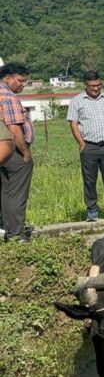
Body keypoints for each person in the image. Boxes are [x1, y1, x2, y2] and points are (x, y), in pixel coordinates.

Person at [66, 71, 104, 221]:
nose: (96, 88)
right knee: (90, 181)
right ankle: (92, 210)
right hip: (89, 147)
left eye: (98, 85)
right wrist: (81, 143)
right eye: (92, 86)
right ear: (85, 85)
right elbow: (73, 123)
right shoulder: (77, 101)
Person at [0, 62, 34, 243]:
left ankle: (8, 230)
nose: (23, 85)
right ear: (8, 79)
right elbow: (14, 129)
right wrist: (26, 153)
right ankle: (16, 233)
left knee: (6, 191)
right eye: (20, 81)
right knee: (17, 193)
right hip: (13, 150)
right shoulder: (8, 97)